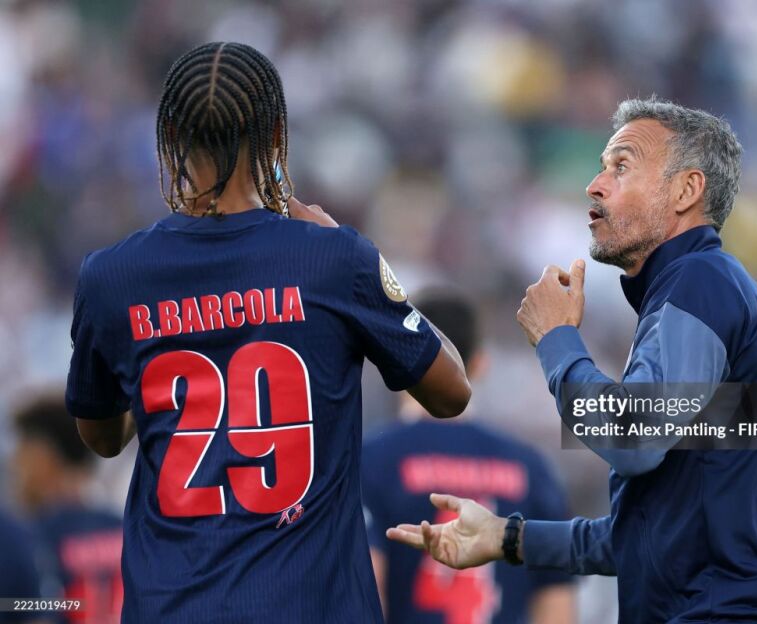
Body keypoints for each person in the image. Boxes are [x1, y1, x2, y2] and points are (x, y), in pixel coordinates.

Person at [64, 41, 470, 623]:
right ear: (276, 132)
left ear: (170, 135)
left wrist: (158, 377)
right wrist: (369, 266)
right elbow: (451, 391)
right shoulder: (334, 259)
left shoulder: (111, 276)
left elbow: (101, 437)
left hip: (172, 608)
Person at [386, 98, 757, 623]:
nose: (595, 185)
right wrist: (507, 536)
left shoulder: (700, 283)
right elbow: (654, 538)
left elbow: (633, 439)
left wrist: (557, 339)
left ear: (686, 191)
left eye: (621, 166)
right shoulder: (696, 293)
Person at [361, 289, 575, 624]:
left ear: (393, 356)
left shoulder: (370, 461)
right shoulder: (531, 468)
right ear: (480, 363)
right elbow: (556, 605)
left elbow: (366, 592)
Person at [12, 394, 123, 623]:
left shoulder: (33, 536)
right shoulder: (126, 528)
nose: (15, 467)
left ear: (42, 458)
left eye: (22, 454)